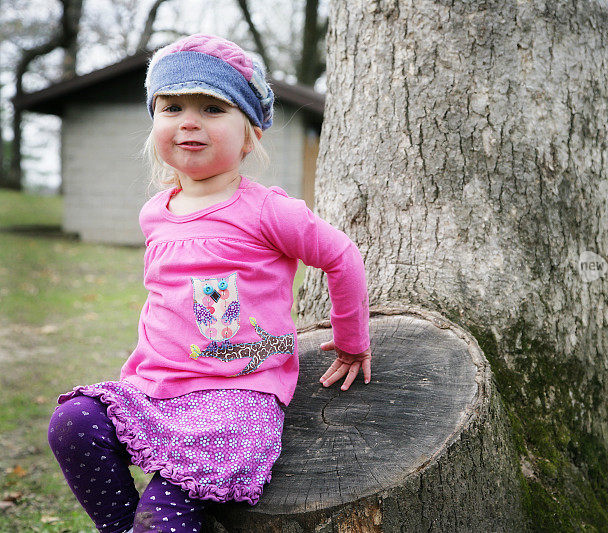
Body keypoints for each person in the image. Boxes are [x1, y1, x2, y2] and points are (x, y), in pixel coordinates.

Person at [47, 33, 371, 533]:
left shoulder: (268, 211)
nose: (190, 121)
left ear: (250, 132)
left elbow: (342, 256)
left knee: (164, 517)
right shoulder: (156, 212)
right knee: (73, 422)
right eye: (172, 106)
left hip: (233, 397)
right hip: (154, 388)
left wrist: (351, 341)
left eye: (213, 107)